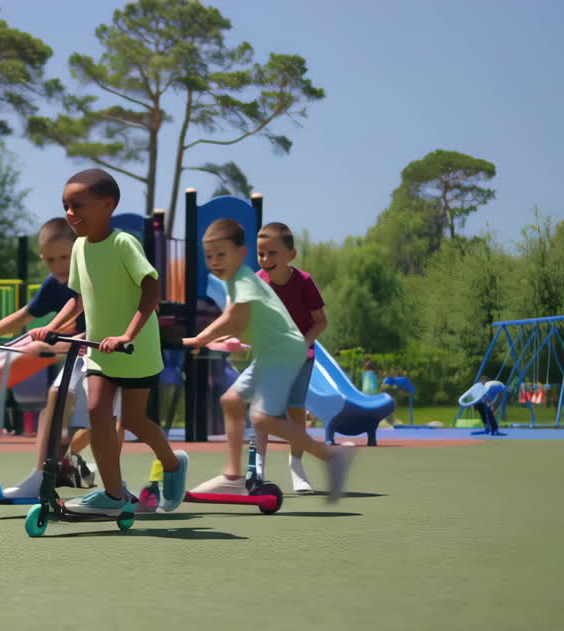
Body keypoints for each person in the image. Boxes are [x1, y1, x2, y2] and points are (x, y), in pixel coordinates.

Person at [30, 168, 188, 515]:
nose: (70, 213)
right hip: (100, 350)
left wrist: (127, 335)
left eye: (78, 205)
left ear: (108, 205)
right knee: (98, 411)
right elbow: (78, 298)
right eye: (66, 206)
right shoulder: (79, 247)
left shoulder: (123, 243)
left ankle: (173, 463)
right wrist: (50, 327)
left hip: (136, 350)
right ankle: (114, 495)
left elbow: (151, 290)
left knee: (133, 421)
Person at [184, 218, 352, 502]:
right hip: (270, 353)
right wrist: (223, 340)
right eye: (209, 256)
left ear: (241, 253)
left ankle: (330, 457)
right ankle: (235, 476)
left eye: (221, 254)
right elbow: (239, 324)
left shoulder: (244, 280)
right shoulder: (241, 281)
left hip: (286, 352)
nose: (214, 262)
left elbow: (232, 319)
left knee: (263, 418)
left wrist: (198, 338)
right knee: (232, 401)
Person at [0, 217, 108, 497]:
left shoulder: (94, 277)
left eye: (64, 257)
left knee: (103, 421)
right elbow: (24, 316)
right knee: (55, 402)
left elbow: (103, 324)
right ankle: (41, 476)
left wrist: (60, 343)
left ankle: (110, 482)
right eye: (50, 260)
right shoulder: (54, 285)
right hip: (81, 356)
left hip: (109, 356)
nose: (58, 266)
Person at [229, 222, 328, 494]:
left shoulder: (304, 282)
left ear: (290, 255)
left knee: (295, 412)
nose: (265, 259)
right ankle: (258, 468)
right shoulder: (256, 283)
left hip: (301, 359)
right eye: (261, 254)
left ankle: (296, 467)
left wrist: (302, 343)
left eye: (272, 253)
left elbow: (321, 321)